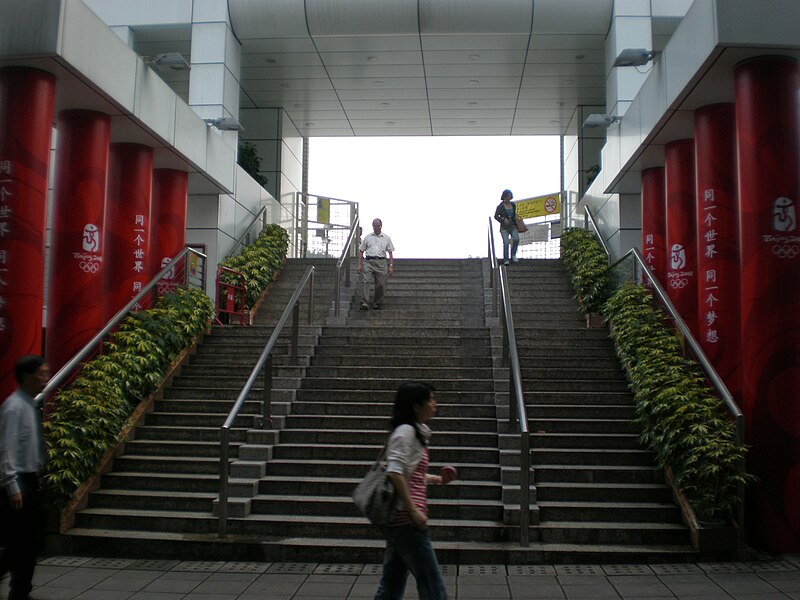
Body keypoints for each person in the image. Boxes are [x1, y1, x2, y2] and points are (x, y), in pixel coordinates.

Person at [374, 382, 450, 600]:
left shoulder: (414, 432)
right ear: (416, 406)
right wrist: (413, 511)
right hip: (406, 519)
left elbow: (410, 473)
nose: (435, 404)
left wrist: (437, 479)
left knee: (392, 584)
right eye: (431, 399)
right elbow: (395, 472)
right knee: (433, 586)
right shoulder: (406, 432)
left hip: (400, 520)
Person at [0, 355, 49, 600]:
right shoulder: (13, 407)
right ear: (27, 377)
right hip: (19, 483)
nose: (45, 378)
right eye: (41, 373)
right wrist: (12, 486)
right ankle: (19, 592)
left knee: (29, 543)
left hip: (31, 479)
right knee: (19, 543)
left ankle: (21, 591)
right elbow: (6, 448)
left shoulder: (30, 404)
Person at [357, 218, 395, 310]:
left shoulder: (386, 238)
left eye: (378, 226)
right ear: (372, 226)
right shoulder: (368, 237)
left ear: (381, 226)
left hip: (381, 262)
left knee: (381, 284)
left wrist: (391, 266)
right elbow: (361, 251)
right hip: (369, 261)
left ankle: (377, 302)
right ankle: (364, 302)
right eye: (374, 226)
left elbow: (390, 252)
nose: (376, 228)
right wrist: (360, 264)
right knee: (366, 281)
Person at [493, 189, 519, 265]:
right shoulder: (500, 206)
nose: (508, 198)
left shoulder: (513, 205)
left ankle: (513, 255)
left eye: (510, 197)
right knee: (506, 242)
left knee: (516, 239)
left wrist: (516, 218)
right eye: (507, 197)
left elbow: (514, 214)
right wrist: (503, 219)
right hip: (504, 227)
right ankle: (506, 259)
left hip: (513, 225)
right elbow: (496, 216)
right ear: (504, 197)